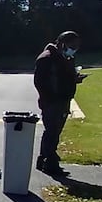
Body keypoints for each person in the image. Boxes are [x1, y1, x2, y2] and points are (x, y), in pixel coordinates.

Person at [33, 31, 85, 176]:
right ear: (62, 44)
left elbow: (63, 77)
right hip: (52, 101)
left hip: (62, 100)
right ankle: (49, 162)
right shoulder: (47, 58)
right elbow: (39, 82)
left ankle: (45, 158)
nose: (74, 48)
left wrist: (74, 79)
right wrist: (49, 97)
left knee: (54, 132)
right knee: (51, 132)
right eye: (72, 45)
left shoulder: (65, 57)